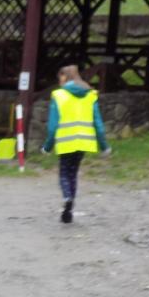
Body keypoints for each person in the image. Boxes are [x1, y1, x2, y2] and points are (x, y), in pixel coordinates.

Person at [41, 64, 110, 224]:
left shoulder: (58, 95)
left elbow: (52, 126)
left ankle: (67, 198)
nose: (59, 81)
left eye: (60, 78)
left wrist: (47, 146)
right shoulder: (90, 95)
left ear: (65, 77)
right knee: (73, 173)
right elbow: (98, 124)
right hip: (84, 142)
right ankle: (70, 207)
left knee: (64, 173)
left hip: (66, 141)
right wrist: (104, 146)